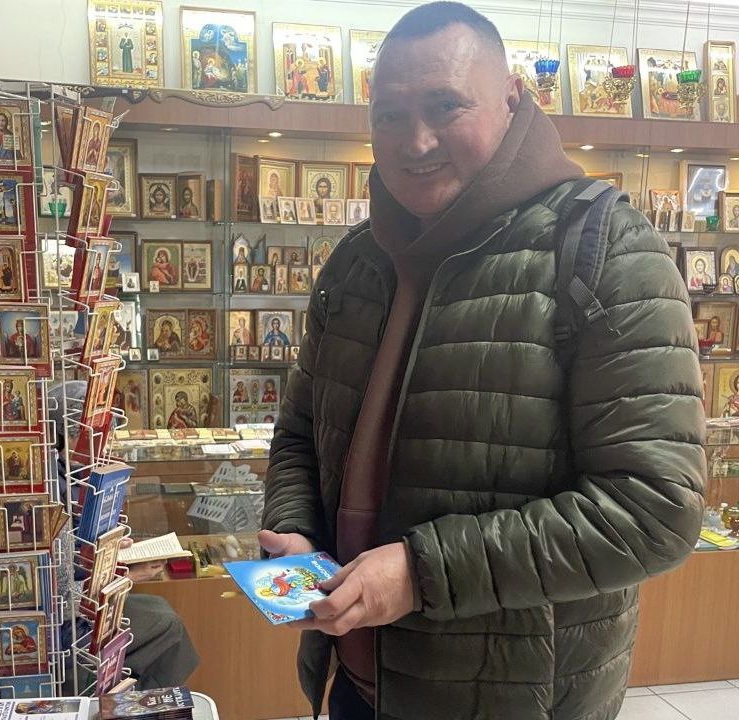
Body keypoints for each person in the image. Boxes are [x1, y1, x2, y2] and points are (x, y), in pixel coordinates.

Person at [261, 5, 704, 720]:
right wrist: (296, 531)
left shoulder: (605, 250)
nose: (416, 141)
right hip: (354, 681)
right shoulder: (356, 261)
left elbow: (656, 510)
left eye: (446, 106)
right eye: (390, 115)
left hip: (516, 699)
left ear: (512, 97)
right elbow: (299, 433)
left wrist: (421, 572)